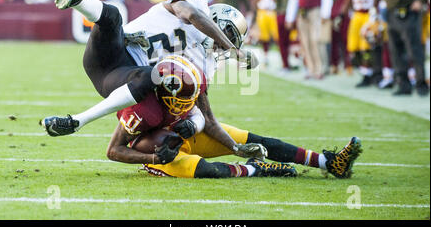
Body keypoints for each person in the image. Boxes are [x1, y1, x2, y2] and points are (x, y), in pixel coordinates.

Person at [41, 0, 256, 136]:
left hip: (123, 79)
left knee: (150, 74)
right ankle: (78, 0)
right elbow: (191, 15)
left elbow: (199, 110)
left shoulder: (207, 65)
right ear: (216, 18)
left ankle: (76, 122)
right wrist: (233, 49)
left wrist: (195, 125)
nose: (222, 44)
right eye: (227, 33)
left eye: (231, 39)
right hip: (110, 52)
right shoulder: (195, 2)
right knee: (113, 16)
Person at [108, 57, 363, 179]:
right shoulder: (141, 107)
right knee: (206, 171)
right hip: (160, 148)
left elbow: (207, 119)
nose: (185, 105)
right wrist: (152, 157)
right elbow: (113, 151)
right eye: (180, 102)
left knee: (254, 139)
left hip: (191, 134)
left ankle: (329, 162)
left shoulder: (193, 80)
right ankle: (255, 169)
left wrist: (235, 147)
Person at [285, 0, 333, 79]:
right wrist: (290, 17)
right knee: (305, 41)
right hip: (302, 12)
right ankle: (311, 68)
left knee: (316, 39)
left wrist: (325, 13)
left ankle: (320, 68)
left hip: (315, 11)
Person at [341, 0, 382, 88]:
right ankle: (364, 71)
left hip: (368, 14)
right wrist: (342, 12)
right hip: (357, 14)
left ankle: (369, 74)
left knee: (367, 46)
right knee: (353, 46)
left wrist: (375, 11)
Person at [328, 0, 351, 75]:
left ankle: (348, 64)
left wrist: (343, 11)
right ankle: (334, 64)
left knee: (345, 40)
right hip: (332, 14)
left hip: (344, 14)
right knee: (333, 41)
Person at [275, 0, 296, 72]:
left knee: (299, 39)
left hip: (296, 14)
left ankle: (305, 62)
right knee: (282, 41)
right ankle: (285, 64)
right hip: (282, 12)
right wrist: (278, 11)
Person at [255, 0, 279, 67]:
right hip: (262, 12)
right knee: (264, 36)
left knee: (277, 35)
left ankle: (282, 55)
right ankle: (265, 56)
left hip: (272, 12)